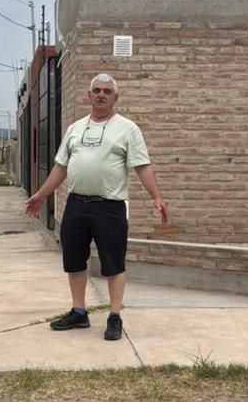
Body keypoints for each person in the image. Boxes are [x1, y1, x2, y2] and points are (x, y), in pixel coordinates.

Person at [24, 72, 168, 341]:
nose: (101, 95)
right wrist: (41, 195)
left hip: (110, 206)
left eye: (107, 91)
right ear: (88, 96)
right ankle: (79, 312)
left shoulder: (128, 129)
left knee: (113, 262)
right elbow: (61, 167)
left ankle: (114, 315)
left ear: (115, 97)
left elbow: (142, 166)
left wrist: (156, 197)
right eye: (97, 90)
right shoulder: (75, 129)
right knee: (74, 260)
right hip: (77, 205)